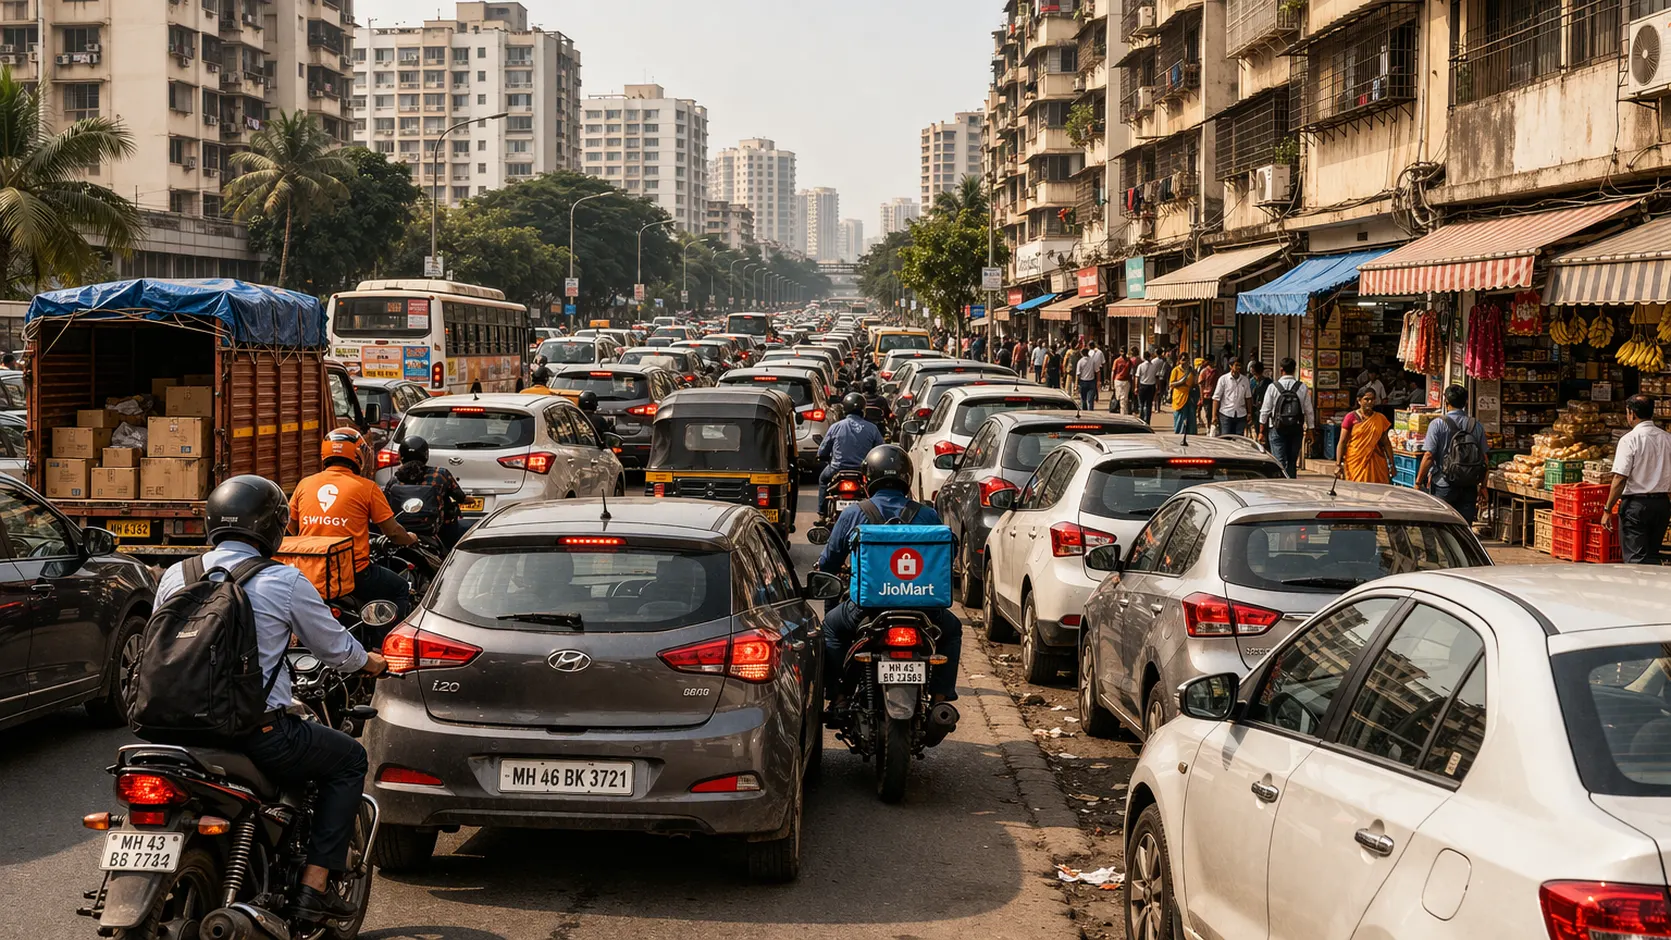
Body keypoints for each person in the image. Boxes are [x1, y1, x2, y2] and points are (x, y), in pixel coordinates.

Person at [155, 475, 387, 924]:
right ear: (273, 527)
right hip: (254, 733)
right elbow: (337, 651)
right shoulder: (282, 580)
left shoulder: (175, 575)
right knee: (349, 759)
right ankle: (314, 889)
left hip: (170, 732)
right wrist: (372, 663)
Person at [815, 445, 962, 706]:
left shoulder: (853, 513)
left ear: (867, 479)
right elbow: (946, 557)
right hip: (925, 610)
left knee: (831, 628)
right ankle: (940, 699)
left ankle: (838, 697)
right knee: (952, 630)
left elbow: (829, 562)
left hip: (866, 610)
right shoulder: (927, 514)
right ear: (907, 478)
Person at [289, 428, 420, 618]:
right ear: (359, 455)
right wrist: (410, 539)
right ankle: (384, 636)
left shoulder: (304, 484)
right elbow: (392, 532)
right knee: (400, 589)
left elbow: (291, 527)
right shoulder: (367, 488)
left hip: (309, 572)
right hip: (352, 574)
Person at [1603, 395, 1671, 563]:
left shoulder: (1629, 440)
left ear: (1631, 413)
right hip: (1661, 505)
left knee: (1636, 559)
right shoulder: (1667, 438)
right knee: (1652, 555)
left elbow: (1620, 477)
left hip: (1636, 506)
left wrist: (1607, 509)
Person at [1415, 384, 1487, 523]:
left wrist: (1418, 482)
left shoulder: (1437, 424)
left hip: (1444, 484)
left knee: (1441, 526)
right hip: (1469, 486)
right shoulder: (1476, 425)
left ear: (1446, 402)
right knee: (1464, 527)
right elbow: (1484, 459)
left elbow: (1429, 456)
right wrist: (1483, 486)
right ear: (1466, 402)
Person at [383, 435, 470, 551]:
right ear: (426, 455)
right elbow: (460, 497)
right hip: (439, 531)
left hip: (401, 533)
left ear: (401, 456)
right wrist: (470, 500)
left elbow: (385, 504)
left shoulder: (395, 480)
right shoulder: (440, 474)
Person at [815, 392, 884, 523]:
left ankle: (821, 514)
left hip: (837, 469)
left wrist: (821, 456)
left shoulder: (836, 427)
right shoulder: (872, 428)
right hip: (862, 471)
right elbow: (881, 450)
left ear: (845, 409)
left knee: (823, 480)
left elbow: (823, 450)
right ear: (863, 410)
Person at [1260, 358, 1317, 478]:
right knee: (1292, 461)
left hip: (1277, 428)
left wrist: (1261, 431)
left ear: (1281, 370)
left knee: (1279, 462)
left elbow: (1265, 410)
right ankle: (1291, 482)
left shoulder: (1273, 387)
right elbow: (1309, 411)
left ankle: (1280, 482)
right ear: (1294, 370)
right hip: (1296, 428)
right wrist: (1310, 429)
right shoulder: (1302, 387)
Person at [1336, 388, 1394, 484]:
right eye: (1366, 399)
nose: (1370, 402)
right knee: (1356, 488)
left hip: (1376, 461)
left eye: (1372, 399)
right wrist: (1338, 464)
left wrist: (1392, 464)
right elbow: (1342, 442)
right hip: (1355, 461)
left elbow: (1386, 443)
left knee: (1378, 489)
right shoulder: (1350, 417)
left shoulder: (1380, 418)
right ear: (1359, 400)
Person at [1211, 358, 1252, 438]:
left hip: (1241, 415)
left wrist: (1249, 413)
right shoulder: (1223, 379)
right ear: (1230, 366)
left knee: (1238, 439)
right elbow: (1216, 398)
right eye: (1236, 365)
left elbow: (1248, 398)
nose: (1238, 367)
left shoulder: (1245, 380)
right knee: (1226, 438)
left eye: (1240, 365)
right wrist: (1214, 416)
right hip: (1226, 414)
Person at [1169, 353, 1199, 435]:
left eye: (1186, 360)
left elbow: (1195, 383)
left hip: (1190, 396)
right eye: (1182, 360)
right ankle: (1179, 433)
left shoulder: (1191, 371)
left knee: (1191, 417)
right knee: (1180, 417)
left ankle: (1191, 434)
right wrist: (1181, 382)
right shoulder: (1175, 370)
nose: (1184, 362)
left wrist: (1196, 375)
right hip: (1179, 397)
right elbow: (1171, 384)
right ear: (1179, 360)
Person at [1247, 360, 1272, 439]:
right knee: (1257, 428)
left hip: (1266, 410)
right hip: (1255, 410)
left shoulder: (1269, 383)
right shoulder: (1251, 382)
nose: (1255, 377)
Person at [1137, 350, 1161, 423]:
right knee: (1149, 405)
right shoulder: (1154, 366)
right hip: (1151, 387)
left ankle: (1141, 420)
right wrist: (1157, 387)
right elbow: (1157, 377)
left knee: (1141, 404)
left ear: (1144, 357)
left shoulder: (1140, 366)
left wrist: (1136, 387)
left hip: (1142, 386)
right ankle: (1147, 421)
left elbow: (1137, 377)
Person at [1196, 357, 1219, 429]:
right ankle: (1208, 428)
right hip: (1206, 396)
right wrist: (1201, 397)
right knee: (1207, 413)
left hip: (1215, 396)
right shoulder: (1204, 371)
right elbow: (1201, 385)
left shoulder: (1217, 372)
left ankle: (1212, 427)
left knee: (1214, 413)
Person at [1075, 342, 1098, 410]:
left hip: (1083, 382)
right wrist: (1098, 381)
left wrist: (1076, 384)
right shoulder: (1092, 360)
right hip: (1091, 382)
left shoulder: (1080, 361)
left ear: (1081, 354)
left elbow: (1078, 374)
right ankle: (1090, 412)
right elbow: (1097, 371)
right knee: (1090, 400)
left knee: (1083, 399)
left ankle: (1084, 412)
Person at [1110, 349, 1133, 415]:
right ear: (1119, 352)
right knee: (1119, 397)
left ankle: (1123, 413)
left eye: (1124, 351)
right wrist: (1112, 384)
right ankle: (1123, 412)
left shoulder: (1129, 361)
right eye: (1122, 351)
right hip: (1118, 381)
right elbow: (1113, 372)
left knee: (1124, 398)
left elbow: (1131, 372)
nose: (1123, 353)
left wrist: (1131, 382)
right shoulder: (1117, 361)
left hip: (1126, 381)